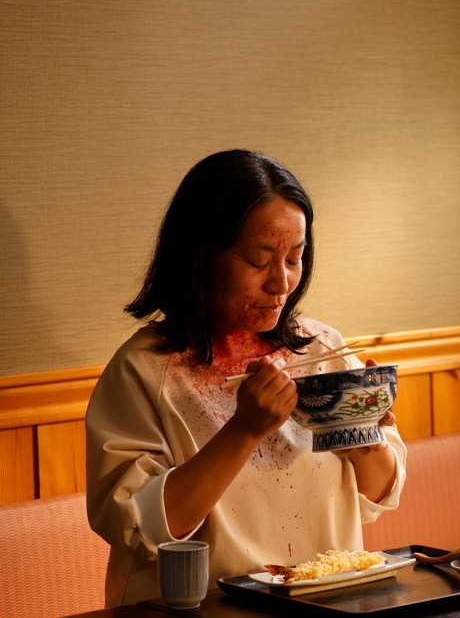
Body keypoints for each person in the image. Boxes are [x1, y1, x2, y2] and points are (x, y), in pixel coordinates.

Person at [85, 149, 407, 606]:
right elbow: (139, 530)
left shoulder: (321, 348)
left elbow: (378, 495)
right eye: (259, 261)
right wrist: (243, 430)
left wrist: (364, 438)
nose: (281, 283)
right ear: (200, 256)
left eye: (294, 258)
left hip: (327, 603)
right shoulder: (146, 370)